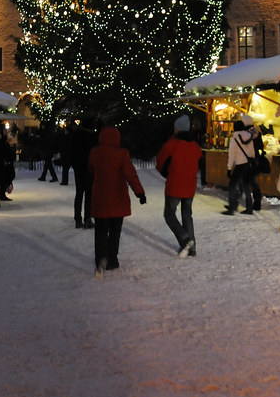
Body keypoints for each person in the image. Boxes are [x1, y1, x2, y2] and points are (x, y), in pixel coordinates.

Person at [88, 126, 146, 278]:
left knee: (100, 231)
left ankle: (100, 259)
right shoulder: (122, 154)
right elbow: (130, 174)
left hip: (100, 198)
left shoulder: (95, 153)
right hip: (117, 199)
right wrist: (139, 192)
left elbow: (91, 170)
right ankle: (112, 259)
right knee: (115, 231)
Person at [156, 114, 203, 257]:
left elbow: (160, 162)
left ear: (177, 129)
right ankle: (192, 246)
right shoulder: (195, 146)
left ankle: (185, 239)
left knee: (169, 214)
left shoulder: (172, 144)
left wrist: (167, 174)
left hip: (175, 184)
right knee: (187, 214)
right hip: (190, 185)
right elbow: (199, 164)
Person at [223, 115, 264, 215]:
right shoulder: (252, 134)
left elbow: (232, 155)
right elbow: (254, 150)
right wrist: (252, 159)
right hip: (250, 162)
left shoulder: (236, 137)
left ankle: (233, 206)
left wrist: (229, 168)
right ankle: (251, 206)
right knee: (248, 184)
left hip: (240, 164)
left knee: (234, 185)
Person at [68, 116, 97, 228]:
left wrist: (74, 165)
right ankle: (87, 218)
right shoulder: (91, 137)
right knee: (89, 194)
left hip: (78, 168)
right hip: (88, 168)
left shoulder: (75, 135)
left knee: (79, 193)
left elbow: (71, 151)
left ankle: (78, 219)